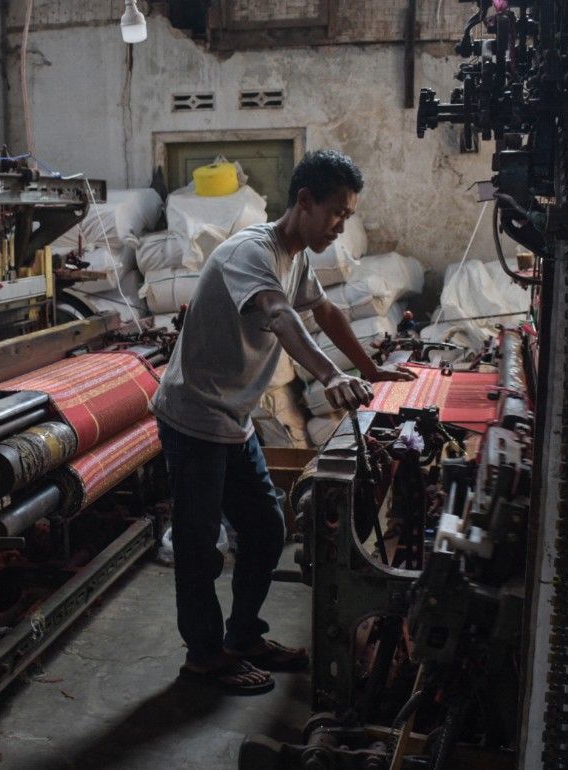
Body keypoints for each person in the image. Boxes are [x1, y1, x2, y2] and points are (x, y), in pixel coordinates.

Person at [152, 150, 416, 694]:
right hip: (195, 418)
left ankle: (243, 636)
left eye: (347, 215)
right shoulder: (251, 253)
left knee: (268, 529)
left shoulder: (296, 257)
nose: (341, 225)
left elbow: (325, 312)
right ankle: (203, 656)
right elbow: (279, 314)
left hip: (233, 418)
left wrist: (370, 368)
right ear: (304, 201)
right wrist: (327, 377)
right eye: (337, 213)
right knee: (201, 548)